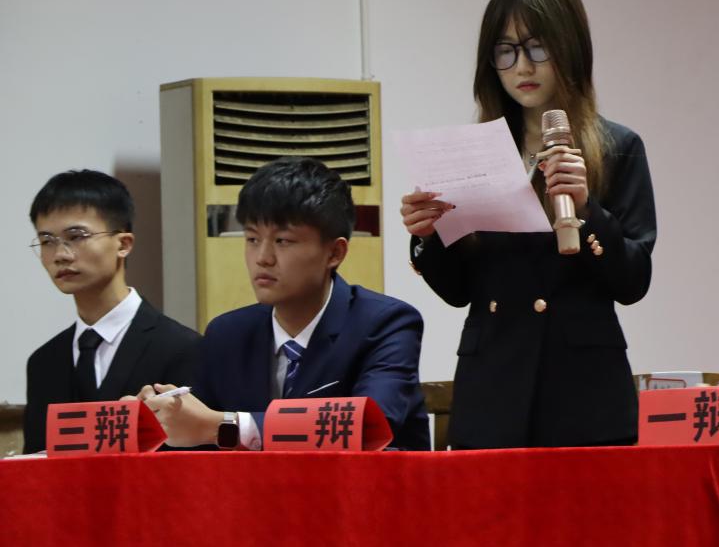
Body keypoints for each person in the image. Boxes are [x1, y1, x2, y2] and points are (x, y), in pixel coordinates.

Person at [400, 0, 656, 448]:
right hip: (491, 385)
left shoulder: (617, 147)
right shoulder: (472, 152)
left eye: (538, 48)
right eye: (506, 51)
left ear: (570, 48)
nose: (522, 67)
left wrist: (587, 210)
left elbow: (634, 280)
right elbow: (458, 291)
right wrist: (426, 236)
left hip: (584, 390)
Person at [139, 157, 429, 451]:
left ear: (334, 253)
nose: (262, 258)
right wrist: (150, 424)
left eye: (283, 241)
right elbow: (195, 436)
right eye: (252, 239)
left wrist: (224, 426)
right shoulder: (227, 333)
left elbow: (366, 427)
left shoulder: (385, 323)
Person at [23, 170, 199, 454]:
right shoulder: (44, 362)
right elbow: (34, 463)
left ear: (123, 244)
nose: (60, 255)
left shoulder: (181, 347)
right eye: (47, 241)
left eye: (76, 236)